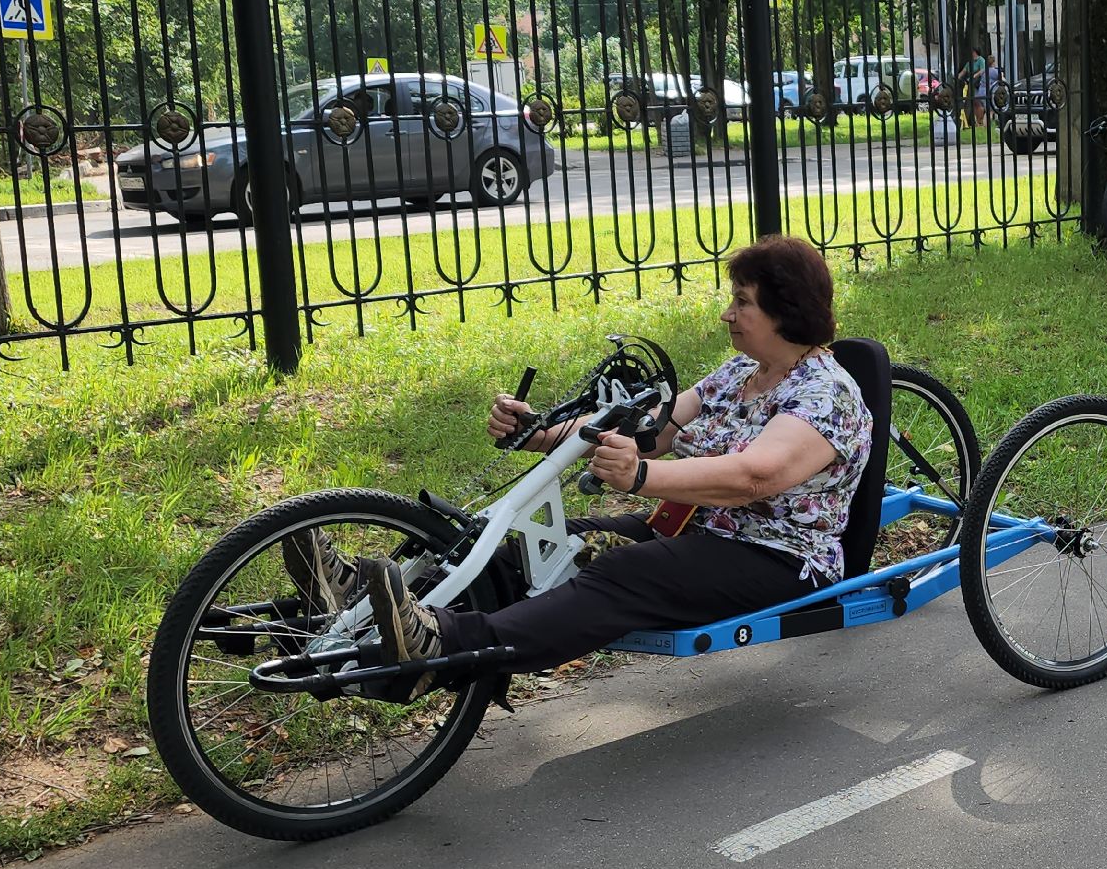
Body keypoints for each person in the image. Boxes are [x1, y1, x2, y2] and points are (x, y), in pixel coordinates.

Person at [288, 236, 876, 700]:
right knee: (543, 549)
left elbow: (754, 478)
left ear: (785, 310)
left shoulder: (825, 394)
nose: (728, 314)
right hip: (695, 529)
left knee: (622, 573)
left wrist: (641, 478)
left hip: (780, 558)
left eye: (742, 302)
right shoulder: (738, 374)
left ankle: (441, 646)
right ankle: (361, 600)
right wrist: (540, 433)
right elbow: (651, 431)